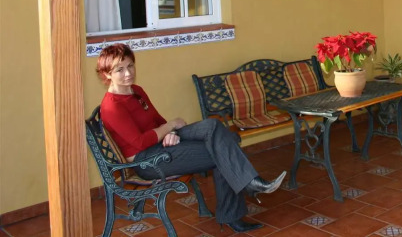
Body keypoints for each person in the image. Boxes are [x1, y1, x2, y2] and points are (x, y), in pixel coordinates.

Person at [96, 43, 285, 232]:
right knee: (224, 149)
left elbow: (157, 120)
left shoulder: (136, 91)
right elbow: (140, 142)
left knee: (213, 126)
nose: (128, 73)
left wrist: (170, 132)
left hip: (159, 143)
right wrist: (170, 126)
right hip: (147, 161)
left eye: (130, 66)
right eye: (119, 70)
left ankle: (248, 185)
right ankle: (243, 195)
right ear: (107, 74)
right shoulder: (112, 106)